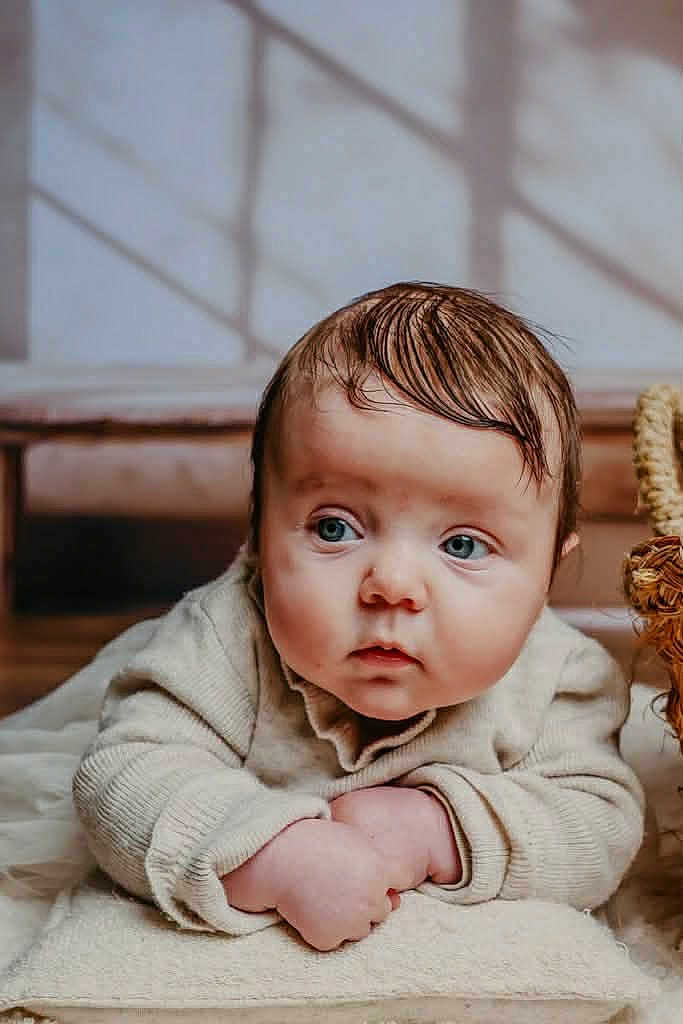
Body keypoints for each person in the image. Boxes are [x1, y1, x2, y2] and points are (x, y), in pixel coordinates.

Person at [73, 282, 645, 952]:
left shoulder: (557, 677)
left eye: (462, 544)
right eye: (336, 528)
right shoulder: (223, 639)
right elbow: (122, 780)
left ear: (548, 572)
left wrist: (438, 830)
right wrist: (273, 854)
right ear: (258, 534)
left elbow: (598, 824)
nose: (391, 585)